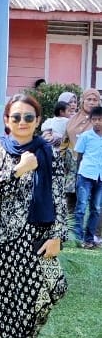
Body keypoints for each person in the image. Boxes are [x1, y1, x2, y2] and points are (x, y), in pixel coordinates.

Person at [0, 94, 70, 338]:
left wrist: (58, 237)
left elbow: (59, 197)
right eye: (15, 117)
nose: (22, 122)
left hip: (37, 236)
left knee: (46, 291)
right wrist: (18, 170)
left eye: (28, 117)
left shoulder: (49, 152)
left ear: (38, 120)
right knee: (3, 297)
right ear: (6, 120)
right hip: (0, 237)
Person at [72, 106, 102, 248]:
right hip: (85, 175)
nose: (97, 122)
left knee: (96, 208)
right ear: (90, 120)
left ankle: (89, 239)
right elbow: (79, 156)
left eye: (100, 119)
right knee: (81, 207)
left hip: (100, 177)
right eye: (94, 119)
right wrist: (78, 174)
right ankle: (78, 238)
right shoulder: (86, 136)